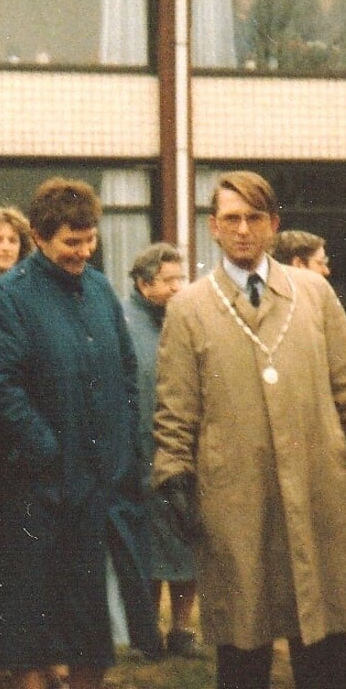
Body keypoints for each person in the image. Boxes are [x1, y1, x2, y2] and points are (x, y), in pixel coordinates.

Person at [151, 171, 346, 689]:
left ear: (273, 225)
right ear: (214, 227)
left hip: (315, 484)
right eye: (232, 219)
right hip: (237, 492)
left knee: (324, 633)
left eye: (254, 218)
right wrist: (173, 475)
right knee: (244, 636)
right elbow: (175, 411)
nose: (243, 229)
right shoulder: (189, 308)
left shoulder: (313, 293)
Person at [0, 178, 160, 689]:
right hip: (38, 491)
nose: (83, 252)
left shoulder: (99, 289)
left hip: (99, 486)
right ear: (40, 236)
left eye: (90, 240)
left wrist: (124, 445)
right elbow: (2, 389)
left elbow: (125, 370)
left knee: (91, 622)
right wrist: (49, 452)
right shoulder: (9, 299)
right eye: (72, 242)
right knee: (34, 623)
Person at [122, 242, 199, 658]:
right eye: (168, 280)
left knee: (188, 540)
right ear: (143, 282)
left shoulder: (188, 318)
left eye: (180, 279)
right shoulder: (123, 321)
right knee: (145, 546)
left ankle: (183, 629)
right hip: (139, 453)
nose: (176, 288)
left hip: (186, 452)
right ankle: (146, 630)